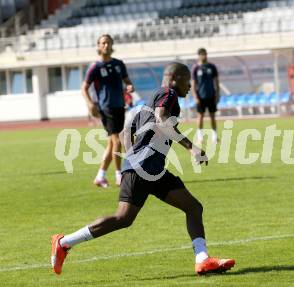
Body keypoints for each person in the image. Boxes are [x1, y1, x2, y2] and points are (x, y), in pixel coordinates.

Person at [51, 62, 235, 276]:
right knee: (123, 218)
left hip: (151, 169)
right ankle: (63, 243)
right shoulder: (168, 93)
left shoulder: (149, 103)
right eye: (187, 80)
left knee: (193, 207)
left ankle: (203, 260)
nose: (190, 85)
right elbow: (162, 120)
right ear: (175, 78)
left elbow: (126, 133)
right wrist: (191, 147)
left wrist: (132, 156)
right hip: (144, 167)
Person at [82, 34, 135, 188]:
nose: (106, 45)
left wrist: (130, 86)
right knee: (118, 140)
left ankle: (100, 176)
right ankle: (120, 176)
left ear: (112, 45)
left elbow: (127, 81)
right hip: (106, 108)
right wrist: (90, 104)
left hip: (119, 106)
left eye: (108, 43)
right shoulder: (95, 67)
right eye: (103, 43)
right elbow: (84, 88)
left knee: (112, 145)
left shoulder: (119, 64)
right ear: (98, 46)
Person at [191, 48, 220, 144]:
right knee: (200, 116)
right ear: (198, 55)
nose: (203, 56)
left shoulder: (212, 67)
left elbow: (216, 81)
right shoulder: (196, 68)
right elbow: (194, 84)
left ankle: (215, 137)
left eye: (204, 54)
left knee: (212, 116)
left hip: (211, 95)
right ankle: (200, 138)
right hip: (201, 96)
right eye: (201, 54)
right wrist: (195, 96)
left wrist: (217, 94)